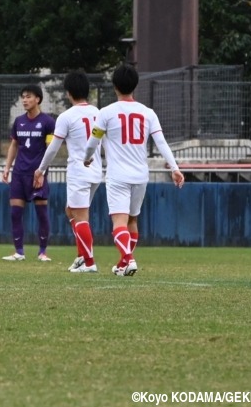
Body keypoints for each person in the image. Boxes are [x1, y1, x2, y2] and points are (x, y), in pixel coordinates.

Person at [83, 64, 184, 276]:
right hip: (140, 176)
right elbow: (162, 143)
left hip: (118, 175)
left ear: (115, 86)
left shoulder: (106, 112)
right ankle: (122, 264)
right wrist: (175, 167)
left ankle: (129, 259)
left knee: (119, 221)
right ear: (135, 86)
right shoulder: (148, 113)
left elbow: (93, 142)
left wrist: (87, 158)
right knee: (132, 219)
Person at [34, 70, 102, 273]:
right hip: (96, 170)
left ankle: (89, 263)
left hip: (79, 172)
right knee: (70, 211)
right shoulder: (98, 113)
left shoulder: (66, 116)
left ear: (69, 93)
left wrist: (40, 170)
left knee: (81, 216)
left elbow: (54, 147)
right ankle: (82, 257)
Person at [1, 85, 56, 262]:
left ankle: (42, 252)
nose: (24, 100)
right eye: (23, 97)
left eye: (28, 97)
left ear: (38, 99)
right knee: (15, 213)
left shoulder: (48, 122)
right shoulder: (18, 121)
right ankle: (19, 252)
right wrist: (7, 167)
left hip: (37, 174)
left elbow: (50, 149)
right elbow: (14, 145)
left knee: (42, 213)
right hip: (19, 174)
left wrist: (42, 173)